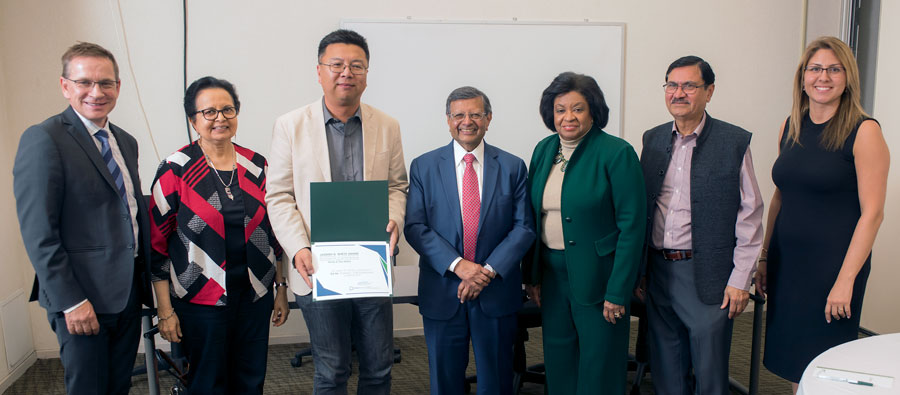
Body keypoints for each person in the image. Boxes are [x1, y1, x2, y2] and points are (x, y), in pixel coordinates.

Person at [266, 29, 408, 394]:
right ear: (319, 72)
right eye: (337, 64)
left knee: (378, 366)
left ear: (366, 74)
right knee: (331, 369)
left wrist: (394, 220)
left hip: (369, 264)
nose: (347, 72)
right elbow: (279, 196)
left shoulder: (388, 125)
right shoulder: (290, 125)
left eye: (356, 65)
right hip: (316, 264)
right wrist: (299, 247)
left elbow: (397, 185)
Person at [13, 42, 153, 394]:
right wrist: (71, 301)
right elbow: (39, 233)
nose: (96, 92)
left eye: (106, 83)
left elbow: (127, 211)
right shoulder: (44, 139)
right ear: (65, 86)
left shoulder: (125, 141)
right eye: (84, 82)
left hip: (126, 293)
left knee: (118, 385)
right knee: (89, 388)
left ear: (118, 87)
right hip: (81, 298)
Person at [758, 36, 889, 393]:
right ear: (803, 77)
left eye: (834, 69)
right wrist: (765, 257)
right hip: (790, 264)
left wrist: (846, 279)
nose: (823, 77)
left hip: (832, 268)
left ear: (848, 78)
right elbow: (780, 198)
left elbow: (873, 214)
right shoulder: (791, 126)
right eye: (815, 69)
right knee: (796, 364)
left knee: (828, 363)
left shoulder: (864, 131)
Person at [148, 76, 289, 394]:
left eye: (228, 110)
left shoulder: (257, 165)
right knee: (208, 382)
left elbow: (275, 235)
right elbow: (157, 247)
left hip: (255, 293)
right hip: (201, 298)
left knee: (251, 379)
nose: (220, 118)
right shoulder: (175, 169)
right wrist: (164, 310)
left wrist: (281, 288)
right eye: (209, 112)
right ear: (193, 119)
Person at [639, 56, 764, 395]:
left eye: (689, 86)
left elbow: (750, 216)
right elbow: (643, 208)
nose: (678, 93)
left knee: (709, 373)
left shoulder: (733, 142)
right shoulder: (652, 140)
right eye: (672, 85)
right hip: (659, 271)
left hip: (708, 274)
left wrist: (740, 280)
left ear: (709, 92)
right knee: (666, 366)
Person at [405, 86, 536, 395]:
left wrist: (485, 272)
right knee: (445, 380)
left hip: (495, 290)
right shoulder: (424, 166)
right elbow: (416, 226)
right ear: (448, 120)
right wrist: (460, 266)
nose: (467, 121)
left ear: (488, 119)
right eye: (459, 115)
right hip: (443, 290)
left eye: (475, 114)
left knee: (497, 380)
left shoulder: (512, 166)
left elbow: (523, 228)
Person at [521, 72, 645, 394]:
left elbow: (632, 227)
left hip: (600, 277)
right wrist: (532, 275)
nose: (568, 117)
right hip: (552, 275)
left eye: (578, 108)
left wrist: (619, 290)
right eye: (561, 109)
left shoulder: (616, 153)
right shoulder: (544, 150)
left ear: (593, 111)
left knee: (599, 363)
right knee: (559, 359)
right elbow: (533, 217)